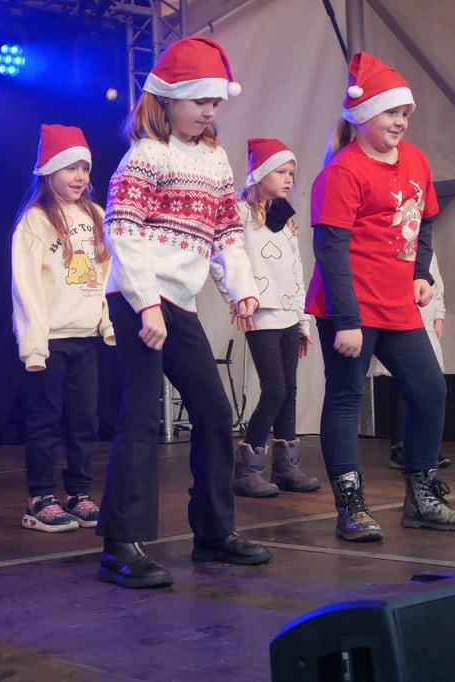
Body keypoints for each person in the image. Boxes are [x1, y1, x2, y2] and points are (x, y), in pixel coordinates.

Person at [96, 36, 272, 589]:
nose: (210, 111)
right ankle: (120, 545)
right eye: (200, 101)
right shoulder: (146, 155)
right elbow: (122, 231)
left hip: (181, 301)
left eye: (216, 102)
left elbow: (226, 232)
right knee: (141, 416)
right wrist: (146, 304)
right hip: (139, 298)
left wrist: (241, 288)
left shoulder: (215, 160)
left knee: (215, 415)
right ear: (168, 100)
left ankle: (214, 532)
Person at [305, 51, 455, 542]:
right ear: (362, 115)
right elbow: (330, 249)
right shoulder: (343, 172)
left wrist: (421, 273)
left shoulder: (416, 161)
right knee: (346, 397)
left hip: (397, 302)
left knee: (430, 391)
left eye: (405, 113)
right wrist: (346, 319)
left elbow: (425, 221)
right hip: (351, 305)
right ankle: (351, 507)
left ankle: (421, 496)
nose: (400, 121)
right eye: (390, 112)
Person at [11, 123, 113, 533]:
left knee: (84, 421)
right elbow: (25, 284)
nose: (79, 176)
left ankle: (79, 492)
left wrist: (107, 322)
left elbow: (107, 275)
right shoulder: (35, 221)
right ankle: (40, 499)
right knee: (45, 421)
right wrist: (34, 343)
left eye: (84, 168)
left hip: (84, 338)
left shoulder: (96, 215)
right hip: (50, 341)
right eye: (70, 168)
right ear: (48, 171)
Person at [221, 138, 320, 498]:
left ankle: (286, 467)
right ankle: (247, 467)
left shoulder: (285, 218)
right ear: (259, 173)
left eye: (291, 172)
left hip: (289, 314)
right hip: (261, 313)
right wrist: (237, 299)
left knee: (289, 390)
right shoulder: (239, 213)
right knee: (275, 389)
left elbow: (296, 272)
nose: (288, 178)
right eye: (280, 171)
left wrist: (304, 321)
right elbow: (222, 258)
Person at [370, 252, 451, 469]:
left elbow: (436, 284)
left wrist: (439, 316)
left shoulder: (428, 253)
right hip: (402, 324)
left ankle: (425, 446)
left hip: (425, 325)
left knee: (430, 388)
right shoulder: (396, 247)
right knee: (402, 390)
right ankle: (400, 446)